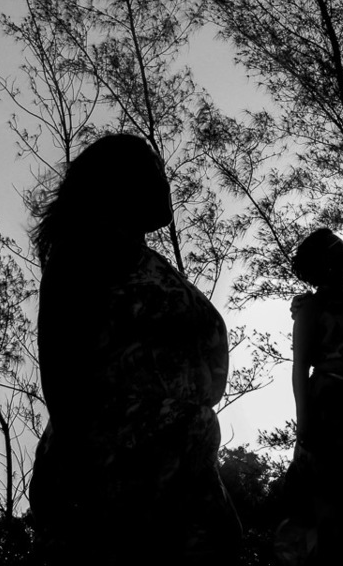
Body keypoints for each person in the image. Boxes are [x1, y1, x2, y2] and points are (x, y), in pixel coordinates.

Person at [28, 133, 241, 565]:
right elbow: (60, 368)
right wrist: (85, 478)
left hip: (183, 480)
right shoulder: (84, 250)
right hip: (118, 482)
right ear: (121, 183)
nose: (166, 185)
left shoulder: (146, 259)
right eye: (155, 172)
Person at [285, 228, 343, 566]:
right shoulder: (311, 308)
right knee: (325, 503)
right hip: (327, 411)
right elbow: (299, 370)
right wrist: (304, 423)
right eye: (340, 245)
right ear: (326, 260)